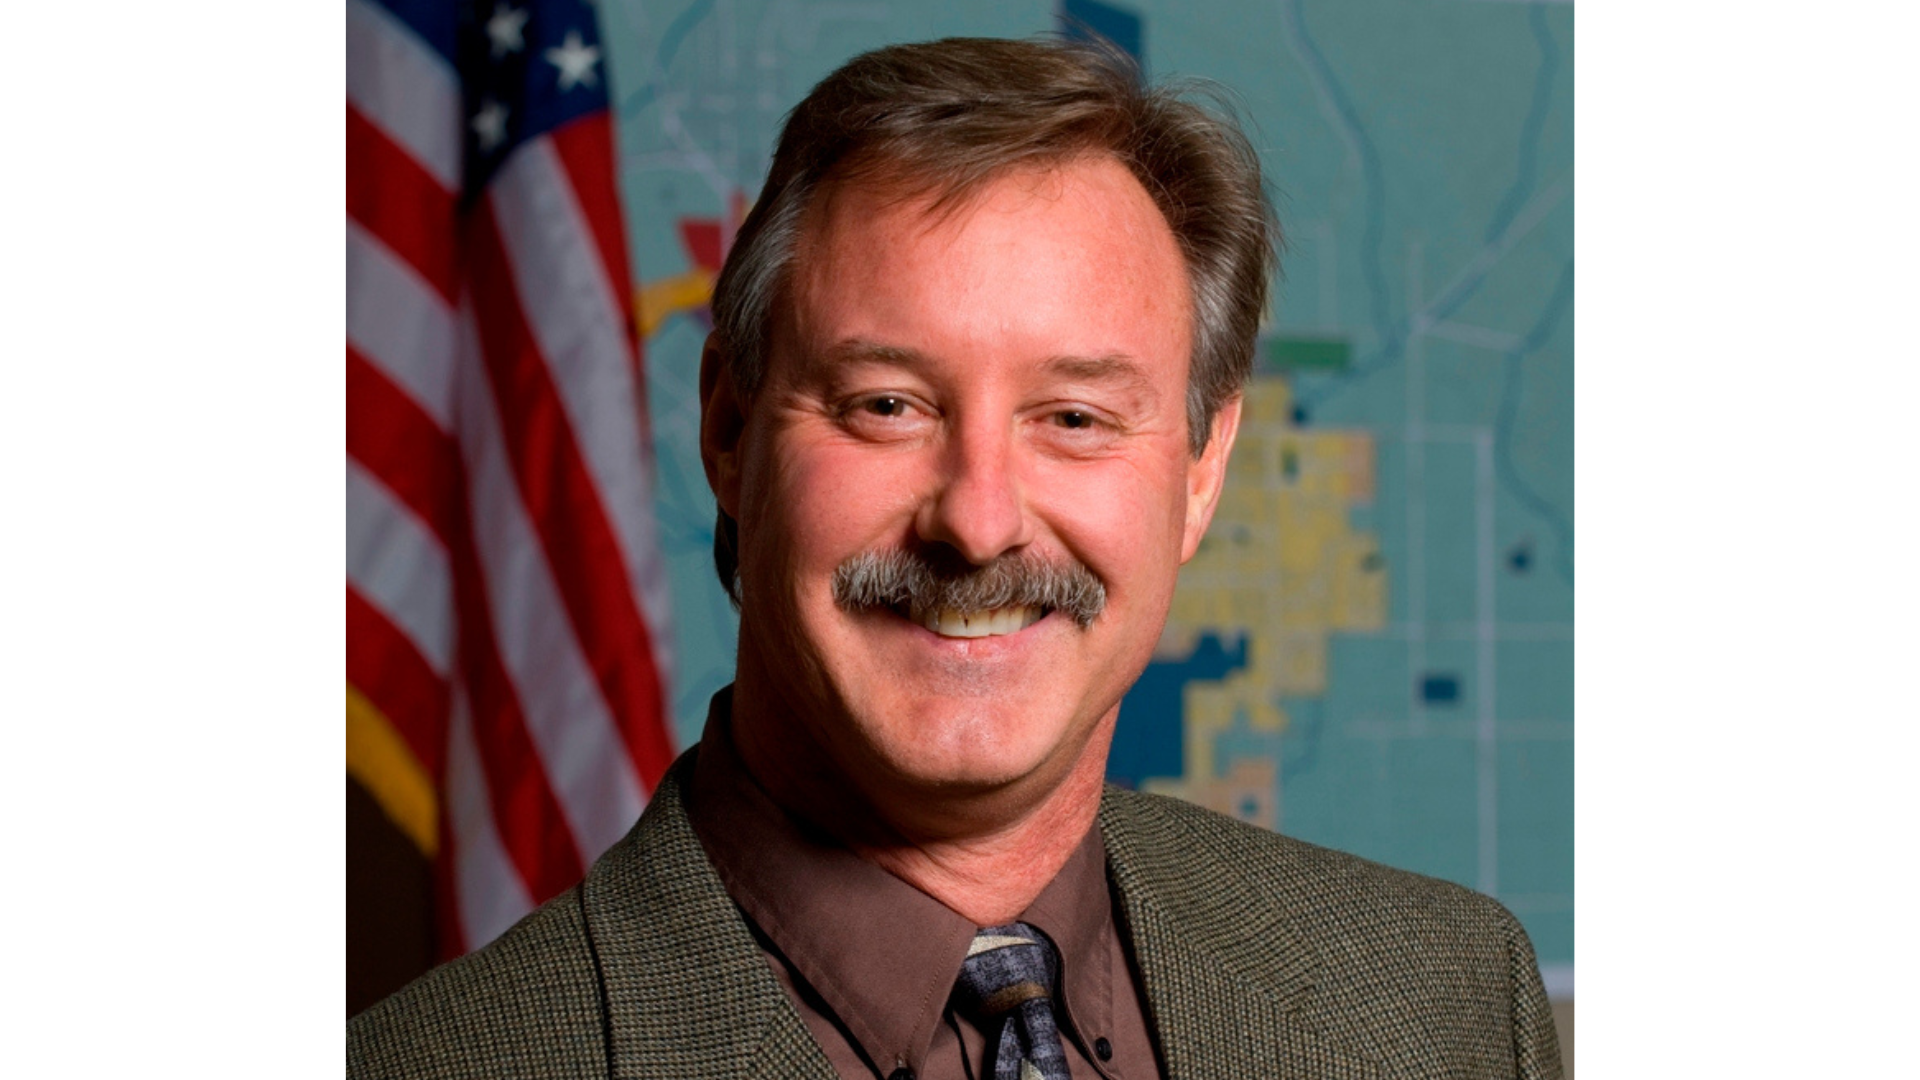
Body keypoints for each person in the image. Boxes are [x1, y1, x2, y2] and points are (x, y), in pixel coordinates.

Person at [349, 37, 1562, 1080]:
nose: (979, 524)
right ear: (728, 428)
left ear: (1200, 470)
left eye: (1075, 418)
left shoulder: (1444, 1007)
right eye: (887, 405)